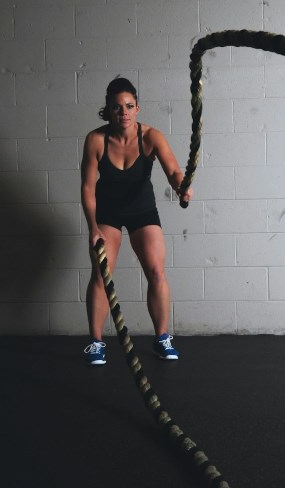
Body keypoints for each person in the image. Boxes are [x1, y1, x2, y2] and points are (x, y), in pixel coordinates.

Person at [80, 77, 193, 365]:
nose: (124, 112)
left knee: (157, 271)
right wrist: (93, 228)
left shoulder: (151, 136)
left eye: (129, 106)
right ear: (108, 109)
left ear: (138, 108)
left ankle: (162, 338)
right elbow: (88, 188)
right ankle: (95, 342)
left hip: (142, 211)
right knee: (101, 274)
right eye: (117, 107)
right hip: (108, 213)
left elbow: (173, 172)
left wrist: (182, 186)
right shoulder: (96, 140)